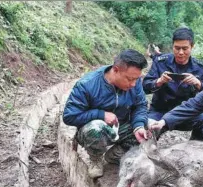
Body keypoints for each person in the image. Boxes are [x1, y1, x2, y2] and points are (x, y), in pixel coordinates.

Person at [63, 49, 149, 179]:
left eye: (136, 79)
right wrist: (100, 114)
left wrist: (138, 126)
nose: (133, 84)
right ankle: (96, 158)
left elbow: (141, 105)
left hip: (121, 127)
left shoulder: (134, 84)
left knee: (150, 128)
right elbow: (70, 116)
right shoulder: (87, 85)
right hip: (93, 132)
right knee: (95, 127)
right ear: (115, 70)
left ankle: (115, 154)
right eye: (129, 79)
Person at [143, 27, 203, 139]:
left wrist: (198, 83)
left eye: (185, 48)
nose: (180, 53)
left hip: (186, 113)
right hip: (160, 111)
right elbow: (144, 87)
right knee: (147, 130)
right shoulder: (160, 62)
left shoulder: (200, 67)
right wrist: (159, 81)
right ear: (172, 46)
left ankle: (194, 150)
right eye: (177, 48)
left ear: (192, 47)